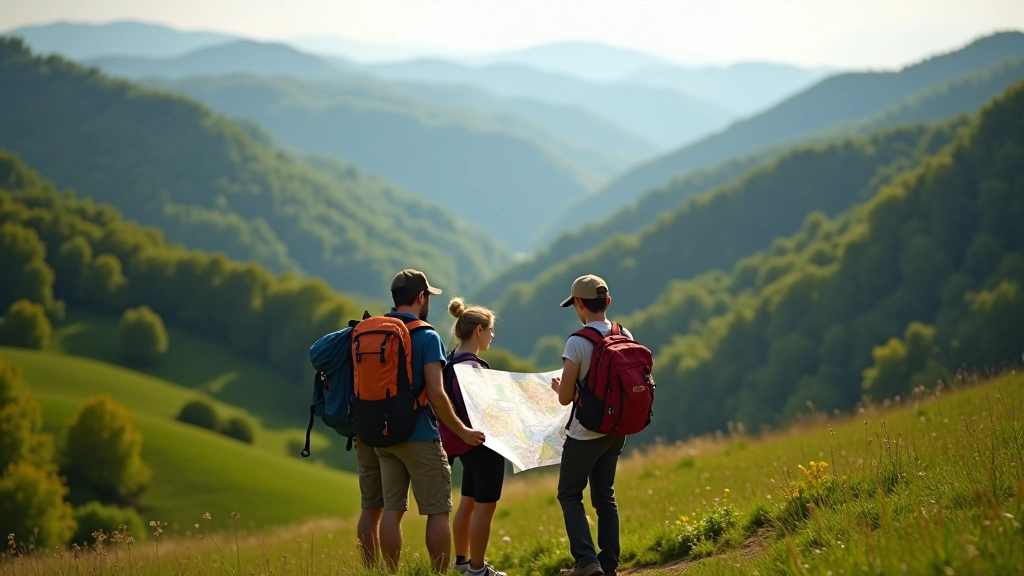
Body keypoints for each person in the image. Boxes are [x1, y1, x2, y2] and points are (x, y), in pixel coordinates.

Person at [375, 269, 487, 573]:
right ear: (421, 297)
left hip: (381, 436)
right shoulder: (426, 336)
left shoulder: (376, 329)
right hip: (419, 434)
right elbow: (437, 394)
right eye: (428, 297)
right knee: (438, 511)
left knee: (392, 510)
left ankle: (390, 572)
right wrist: (462, 431)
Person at [550, 275, 633, 576]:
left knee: (569, 494)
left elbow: (564, 398)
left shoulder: (577, 341)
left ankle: (586, 562)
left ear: (579, 304)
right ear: (607, 302)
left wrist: (560, 385)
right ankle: (609, 564)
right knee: (604, 495)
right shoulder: (623, 332)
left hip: (586, 434)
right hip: (617, 429)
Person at [438, 297, 507, 576]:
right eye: (490, 330)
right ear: (479, 330)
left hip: (463, 445)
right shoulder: (473, 368)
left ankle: (462, 562)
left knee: (467, 501)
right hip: (483, 443)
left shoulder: (450, 361)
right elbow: (486, 411)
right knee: (485, 506)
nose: (492, 335)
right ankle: (478, 570)